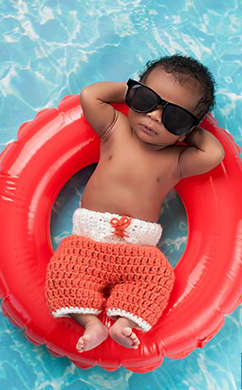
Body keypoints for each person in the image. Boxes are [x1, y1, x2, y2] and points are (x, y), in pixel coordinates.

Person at [45, 54, 224, 353]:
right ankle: (92, 323)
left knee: (159, 277)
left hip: (139, 252)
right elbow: (91, 95)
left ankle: (122, 323)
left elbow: (213, 153)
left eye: (174, 117)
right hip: (87, 242)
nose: (154, 116)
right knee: (63, 269)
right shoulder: (114, 129)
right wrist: (129, 92)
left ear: (186, 128)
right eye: (147, 100)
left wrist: (188, 129)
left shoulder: (176, 160)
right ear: (134, 93)